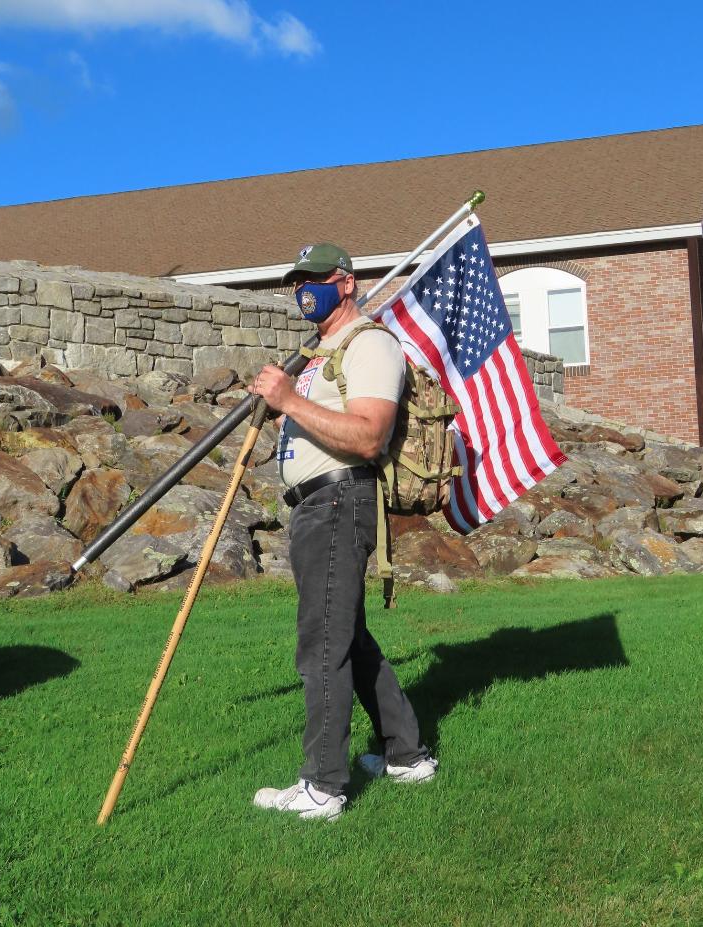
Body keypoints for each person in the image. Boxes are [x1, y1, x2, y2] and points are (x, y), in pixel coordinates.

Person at [249, 242, 437, 821]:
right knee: (348, 636)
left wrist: (287, 401)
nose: (304, 289)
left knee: (322, 645)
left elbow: (367, 436)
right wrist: (285, 402)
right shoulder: (316, 352)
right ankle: (406, 754)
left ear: (346, 282)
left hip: (338, 500)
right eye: (297, 281)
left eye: (315, 278)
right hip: (315, 504)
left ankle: (323, 787)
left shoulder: (372, 345)